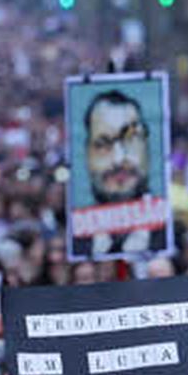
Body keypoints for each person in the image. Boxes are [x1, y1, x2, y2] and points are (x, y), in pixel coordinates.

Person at [73, 89, 168, 257]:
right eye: (103, 144)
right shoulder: (72, 242)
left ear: (148, 149)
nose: (118, 159)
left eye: (131, 140)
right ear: (86, 155)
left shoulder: (171, 235)